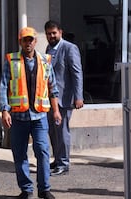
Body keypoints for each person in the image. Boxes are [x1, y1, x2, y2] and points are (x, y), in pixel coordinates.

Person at [0, 27, 62, 199]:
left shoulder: (45, 61)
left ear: (35, 41)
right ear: (20, 42)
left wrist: (56, 110)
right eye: (25, 40)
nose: (28, 43)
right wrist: (4, 110)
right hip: (19, 117)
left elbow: (52, 87)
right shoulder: (11, 61)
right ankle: (26, 189)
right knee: (19, 154)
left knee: (42, 152)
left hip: (40, 117)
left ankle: (44, 189)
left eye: (31, 40)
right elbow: (3, 87)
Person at [44, 20, 84, 176]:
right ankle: (57, 159)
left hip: (65, 99)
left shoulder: (69, 48)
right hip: (50, 99)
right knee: (53, 132)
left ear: (60, 32)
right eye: (48, 33)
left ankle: (64, 163)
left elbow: (76, 73)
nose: (51, 36)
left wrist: (78, 97)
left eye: (54, 33)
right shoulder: (49, 48)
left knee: (62, 132)